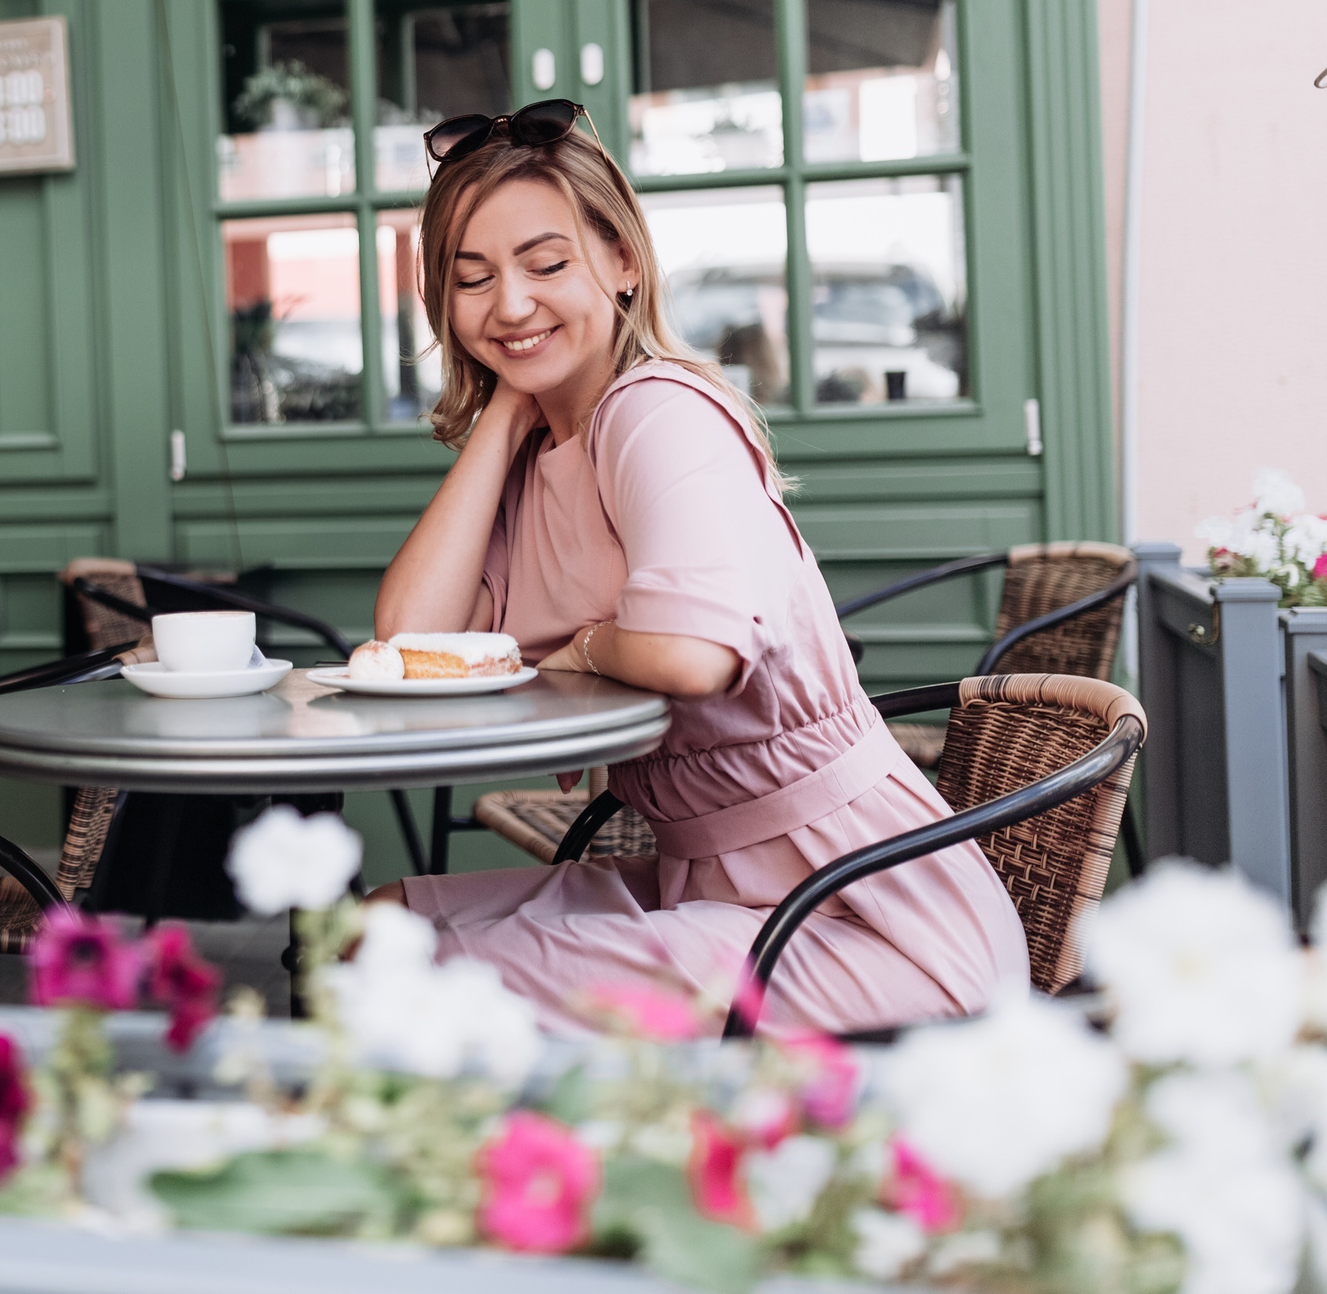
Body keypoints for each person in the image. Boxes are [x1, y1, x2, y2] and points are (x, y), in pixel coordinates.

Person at [367, 100, 1023, 1034]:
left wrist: (584, 647)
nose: (510, 303)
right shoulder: (538, 454)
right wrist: (508, 409)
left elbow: (689, 655)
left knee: (408, 973)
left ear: (623, 261)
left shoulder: (657, 413)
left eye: (546, 264)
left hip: (863, 918)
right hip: (718, 889)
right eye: (473, 279)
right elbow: (407, 642)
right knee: (376, 925)